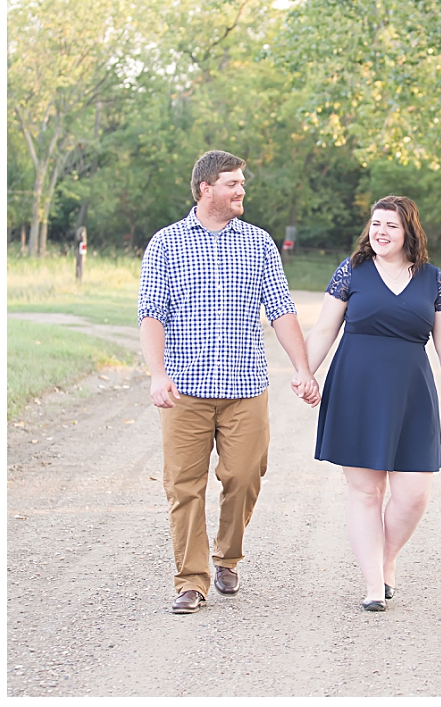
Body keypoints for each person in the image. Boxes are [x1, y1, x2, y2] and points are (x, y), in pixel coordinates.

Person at [138, 150, 319, 614]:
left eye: (241, 183)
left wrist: (302, 368)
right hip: (186, 390)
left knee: (244, 476)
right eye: (232, 183)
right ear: (205, 188)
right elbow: (151, 315)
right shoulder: (166, 244)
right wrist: (157, 375)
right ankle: (191, 580)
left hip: (245, 389)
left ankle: (227, 556)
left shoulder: (259, 243)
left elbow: (281, 310)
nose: (241, 191)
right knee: (184, 486)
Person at [304, 196, 441, 611]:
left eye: (390, 225)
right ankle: (374, 584)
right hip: (356, 389)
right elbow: (325, 327)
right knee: (366, 492)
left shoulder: (433, 279)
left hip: (412, 392)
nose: (380, 232)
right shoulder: (352, 271)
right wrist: (306, 371)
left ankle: (386, 560)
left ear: (409, 231)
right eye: (375, 224)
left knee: (414, 495)